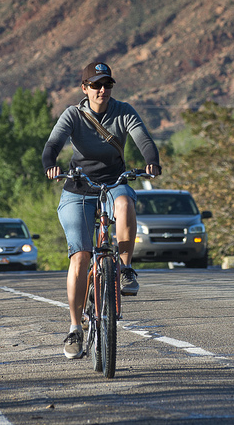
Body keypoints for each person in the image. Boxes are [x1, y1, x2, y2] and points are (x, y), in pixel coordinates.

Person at [42, 61, 161, 359]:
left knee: (125, 202)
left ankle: (124, 269)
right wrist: (50, 164)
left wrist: (151, 159)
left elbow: (142, 138)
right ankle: (74, 328)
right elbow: (53, 144)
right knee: (80, 256)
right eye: (95, 85)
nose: (102, 90)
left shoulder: (124, 111)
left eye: (107, 84)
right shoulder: (73, 114)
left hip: (113, 183)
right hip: (78, 188)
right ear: (85, 88)